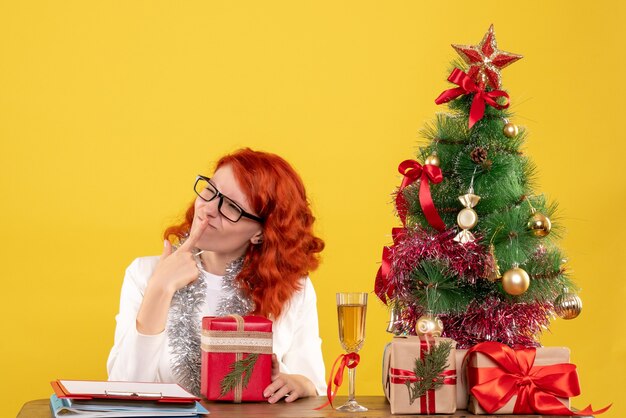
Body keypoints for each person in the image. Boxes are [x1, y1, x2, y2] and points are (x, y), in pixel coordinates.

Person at [107, 148, 326, 403]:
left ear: (261, 233)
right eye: (210, 191)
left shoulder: (292, 288)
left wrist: (297, 382)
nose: (208, 209)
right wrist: (159, 289)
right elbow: (121, 393)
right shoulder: (143, 274)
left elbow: (315, 387)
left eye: (231, 207)